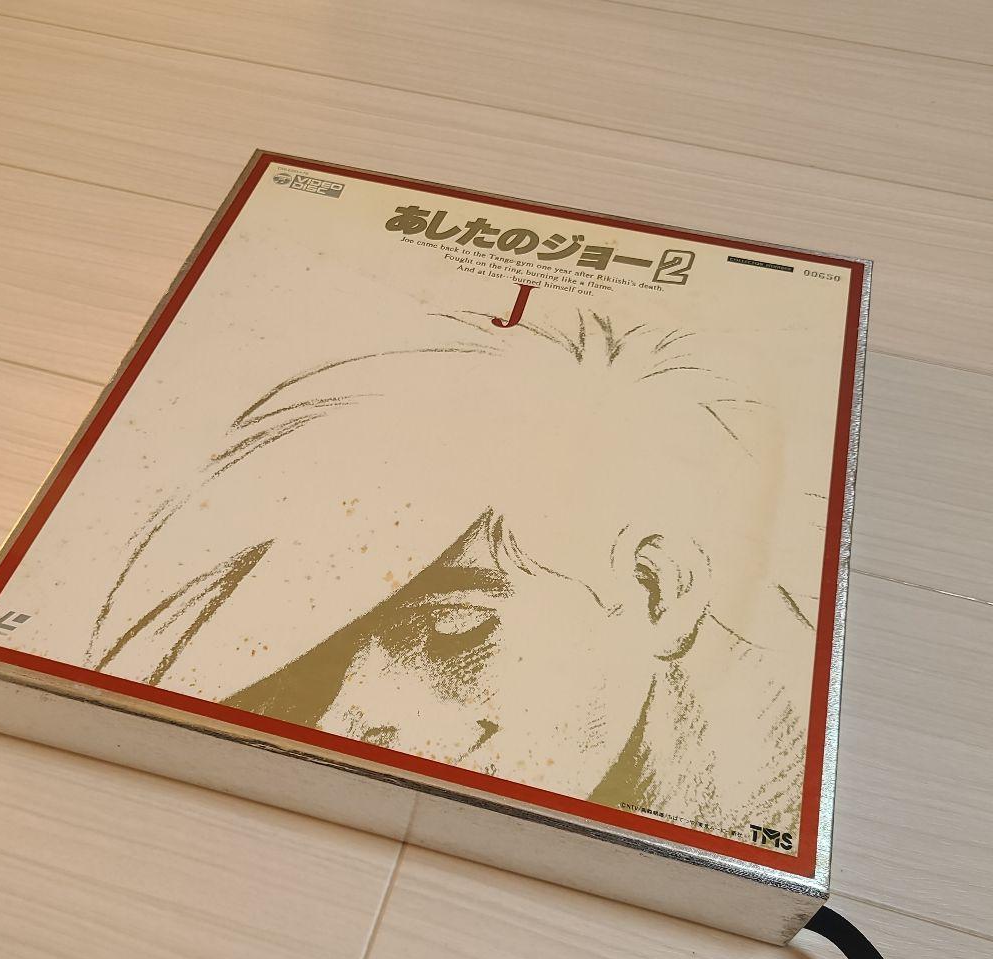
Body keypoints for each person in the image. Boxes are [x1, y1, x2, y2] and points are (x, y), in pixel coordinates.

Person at [89, 308, 823, 843]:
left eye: (454, 630)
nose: (347, 714)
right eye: (310, 656)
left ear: (657, 592)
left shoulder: (769, 790)